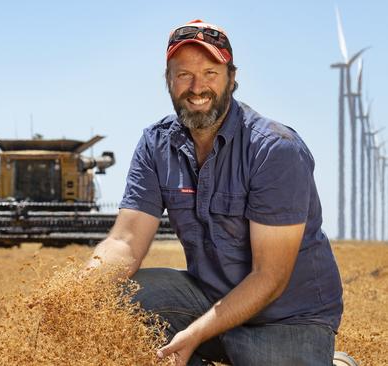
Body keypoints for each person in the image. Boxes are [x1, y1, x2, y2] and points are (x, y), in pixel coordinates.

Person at [87, 19, 344, 365]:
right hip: (208, 299)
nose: (197, 87)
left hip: (284, 316)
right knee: (113, 301)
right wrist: (80, 293)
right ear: (168, 80)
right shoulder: (155, 144)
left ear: (232, 78)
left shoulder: (274, 149)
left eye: (210, 72)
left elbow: (269, 277)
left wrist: (193, 335)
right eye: (184, 75)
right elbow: (126, 241)